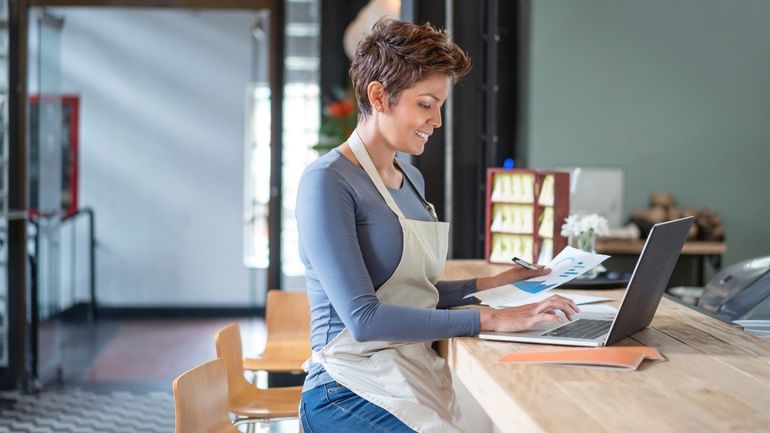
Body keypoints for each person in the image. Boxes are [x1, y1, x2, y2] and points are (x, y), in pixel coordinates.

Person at [296, 18, 579, 433]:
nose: (438, 120)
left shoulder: (410, 177)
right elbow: (364, 318)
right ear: (378, 96)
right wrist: (493, 319)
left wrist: (492, 284)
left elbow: (410, 294)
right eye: (426, 104)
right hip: (344, 388)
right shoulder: (327, 181)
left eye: (440, 106)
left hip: (409, 370)